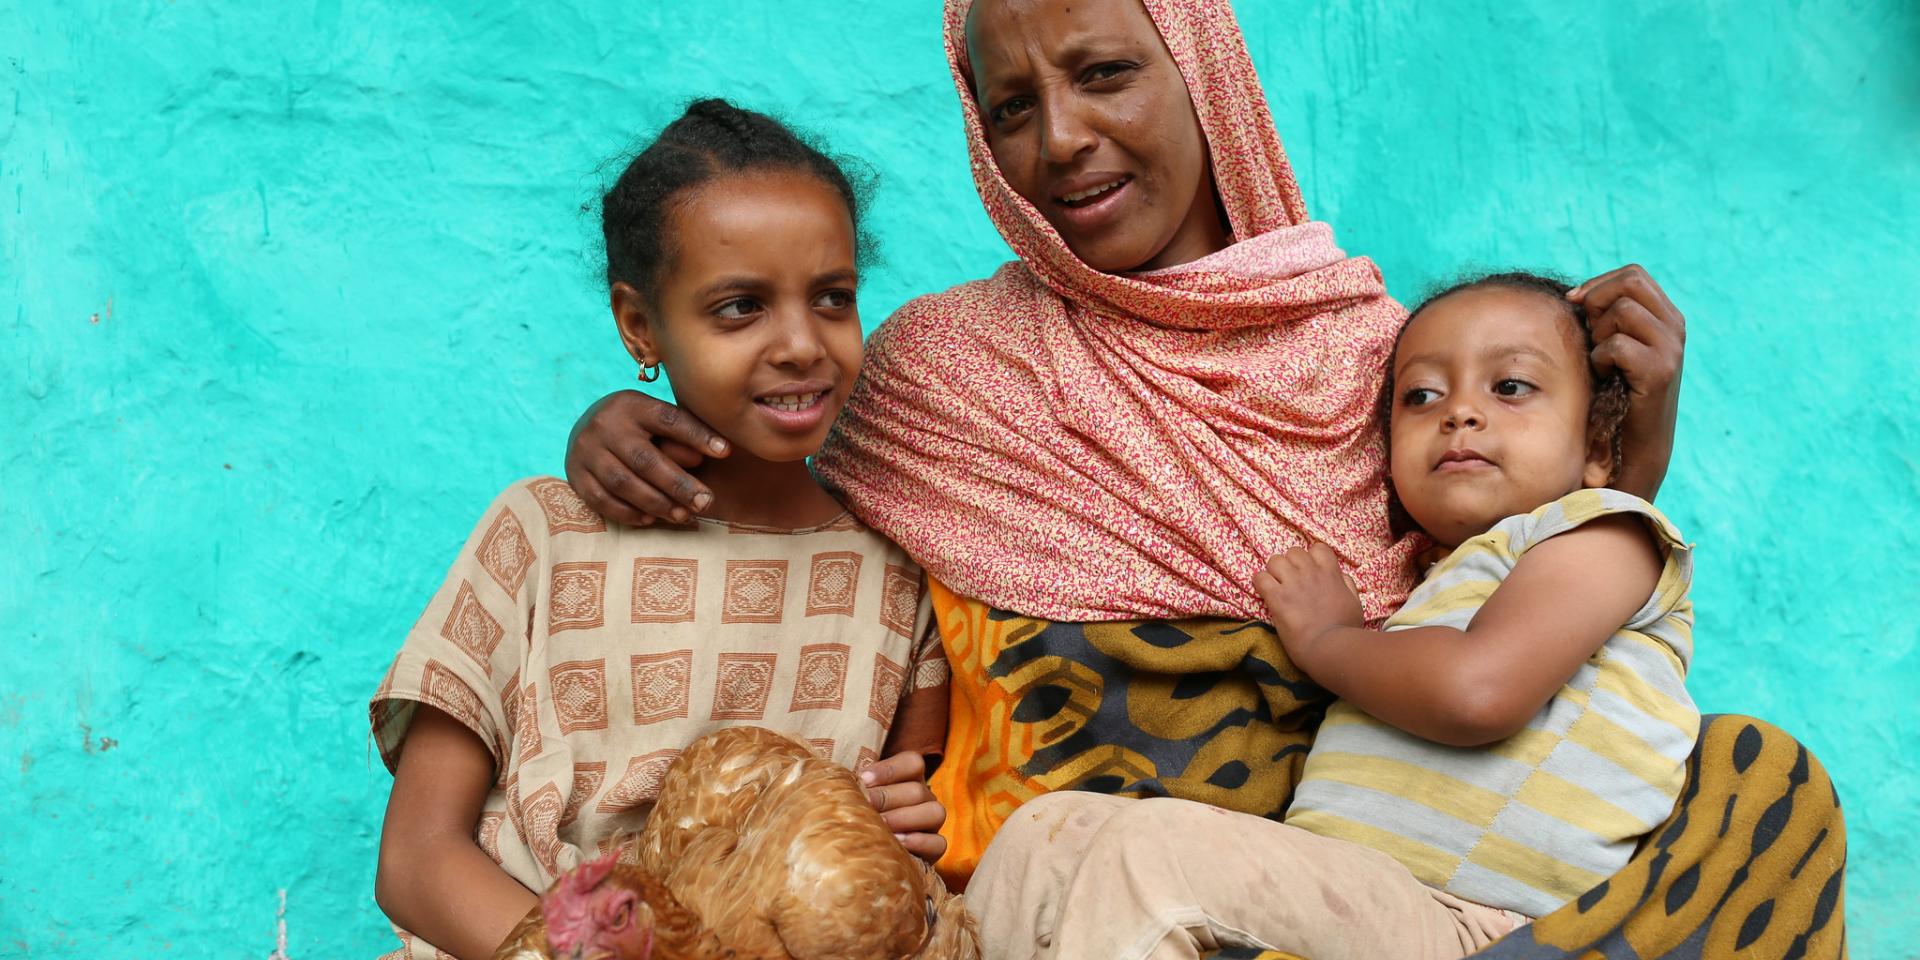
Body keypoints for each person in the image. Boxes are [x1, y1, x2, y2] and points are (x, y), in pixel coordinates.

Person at [561, 2, 1846, 958]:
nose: (1060, 140)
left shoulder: (1385, 369)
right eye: (1010, 107)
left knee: (1750, 794)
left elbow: (1526, 601)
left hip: (1322, 892)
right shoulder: (939, 372)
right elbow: (768, 469)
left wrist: (1634, 445)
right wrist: (625, 426)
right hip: (1047, 902)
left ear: (1206, 68)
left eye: (1106, 71)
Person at [962, 271, 1698, 959]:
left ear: (1601, 447)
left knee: (1152, 858)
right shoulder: (1426, 582)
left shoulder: (1609, 532)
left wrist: (1326, 638)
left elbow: (1478, 692)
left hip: (1477, 927)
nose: (1460, 413)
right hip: (1353, 894)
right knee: (1045, 836)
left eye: (1511, 386)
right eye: (1421, 397)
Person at [368, 99, 950, 960]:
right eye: (740, 308)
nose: (801, 343)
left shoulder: (897, 576)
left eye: (833, 297)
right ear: (641, 326)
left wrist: (912, 827)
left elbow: (921, 840)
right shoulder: (544, 534)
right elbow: (417, 861)